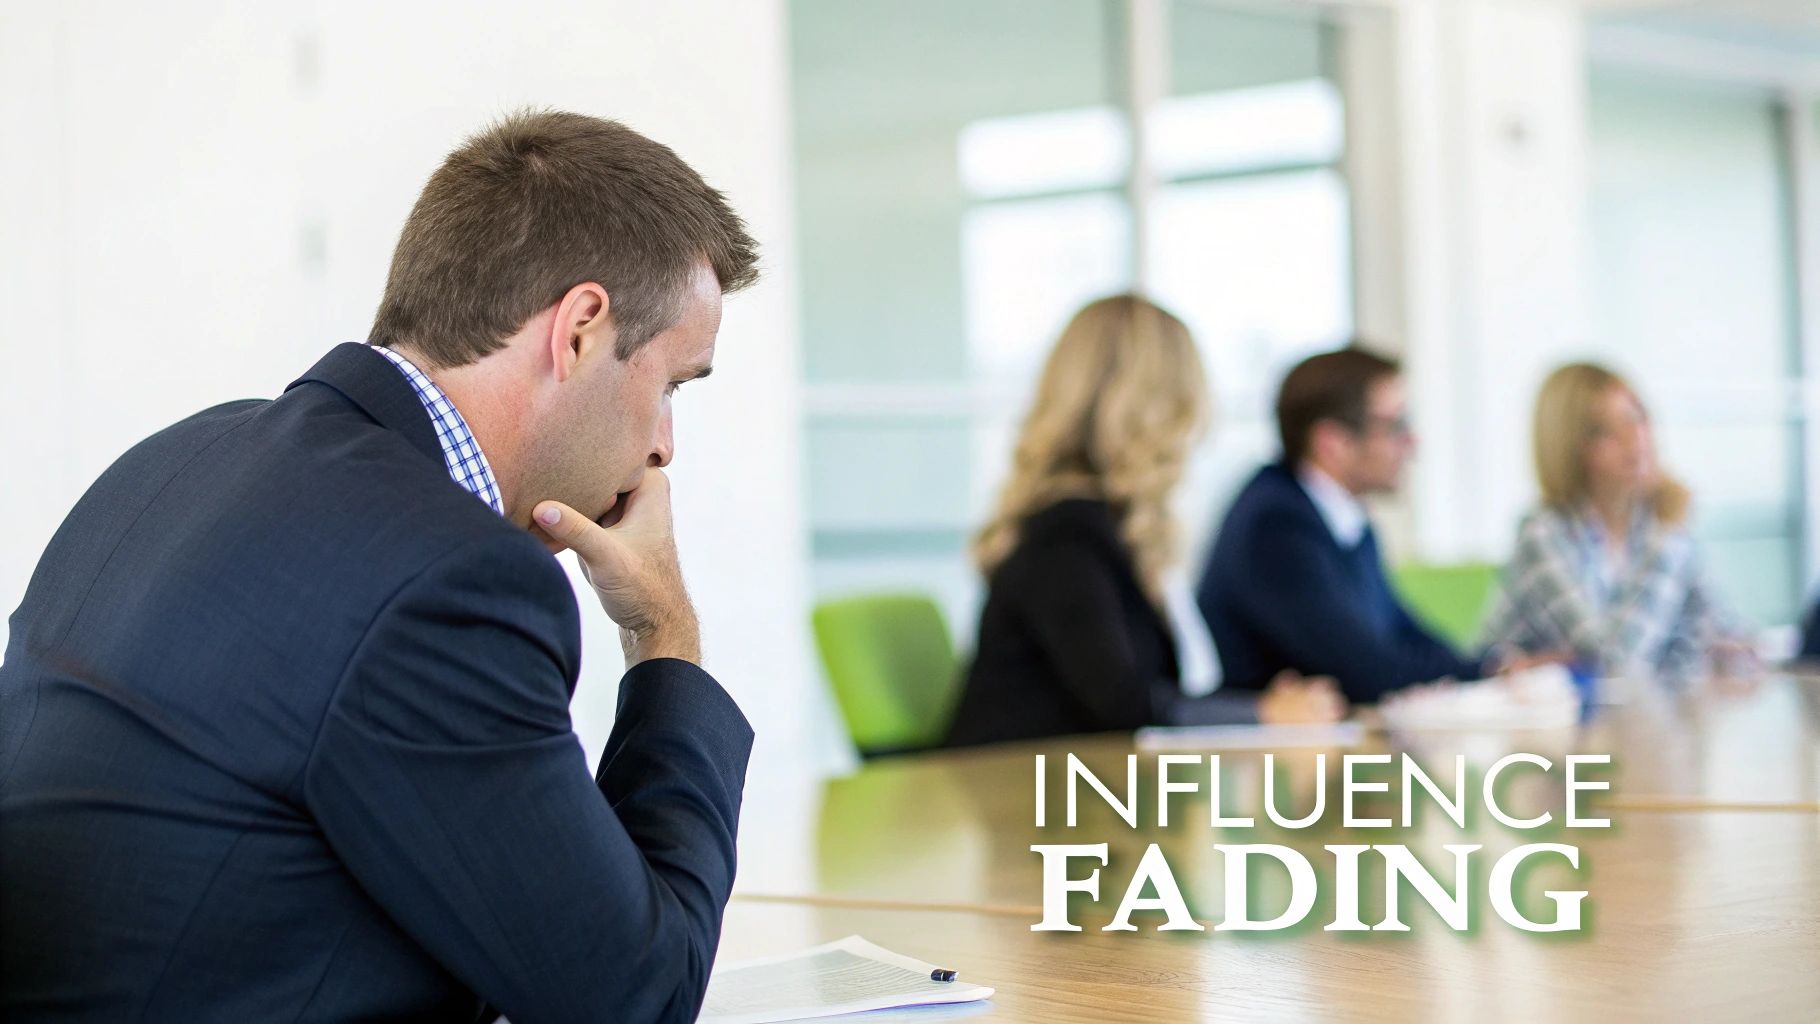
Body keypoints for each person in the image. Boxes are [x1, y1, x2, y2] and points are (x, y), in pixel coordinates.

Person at [0, 111, 757, 1023]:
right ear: (582, 330)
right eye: (673, 384)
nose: (664, 446)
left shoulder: (169, 465)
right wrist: (663, 635)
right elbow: (633, 999)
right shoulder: (448, 579)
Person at [945, 296, 1345, 748]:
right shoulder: (1066, 535)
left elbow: (1150, 690)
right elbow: (1121, 705)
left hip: (1077, 789)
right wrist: (1260, 713)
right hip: (1022, 798)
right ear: (1163, 409)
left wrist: (1258, 706)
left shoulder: (1112, 528)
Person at [1196, 346, 1494, 703]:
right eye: (1396, 426)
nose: (1411, 443)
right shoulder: (1275, 526)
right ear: (1332, 443)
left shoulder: (1347, 520)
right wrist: (1481, 673)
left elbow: (1404, 634)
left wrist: (1491, 668)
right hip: (1271, 755)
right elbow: (1367, 672)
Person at [1479, 362, 1754, 681]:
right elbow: (1617, 664)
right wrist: (1666, 540)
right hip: (1534, 720)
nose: (1634, 439)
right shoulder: (1544, 534)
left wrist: (1719, 648)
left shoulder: (1652, 522)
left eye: (1636, 418)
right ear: (1569, 448)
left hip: (1628, 717)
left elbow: (1727, 636)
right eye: (1603, 431)